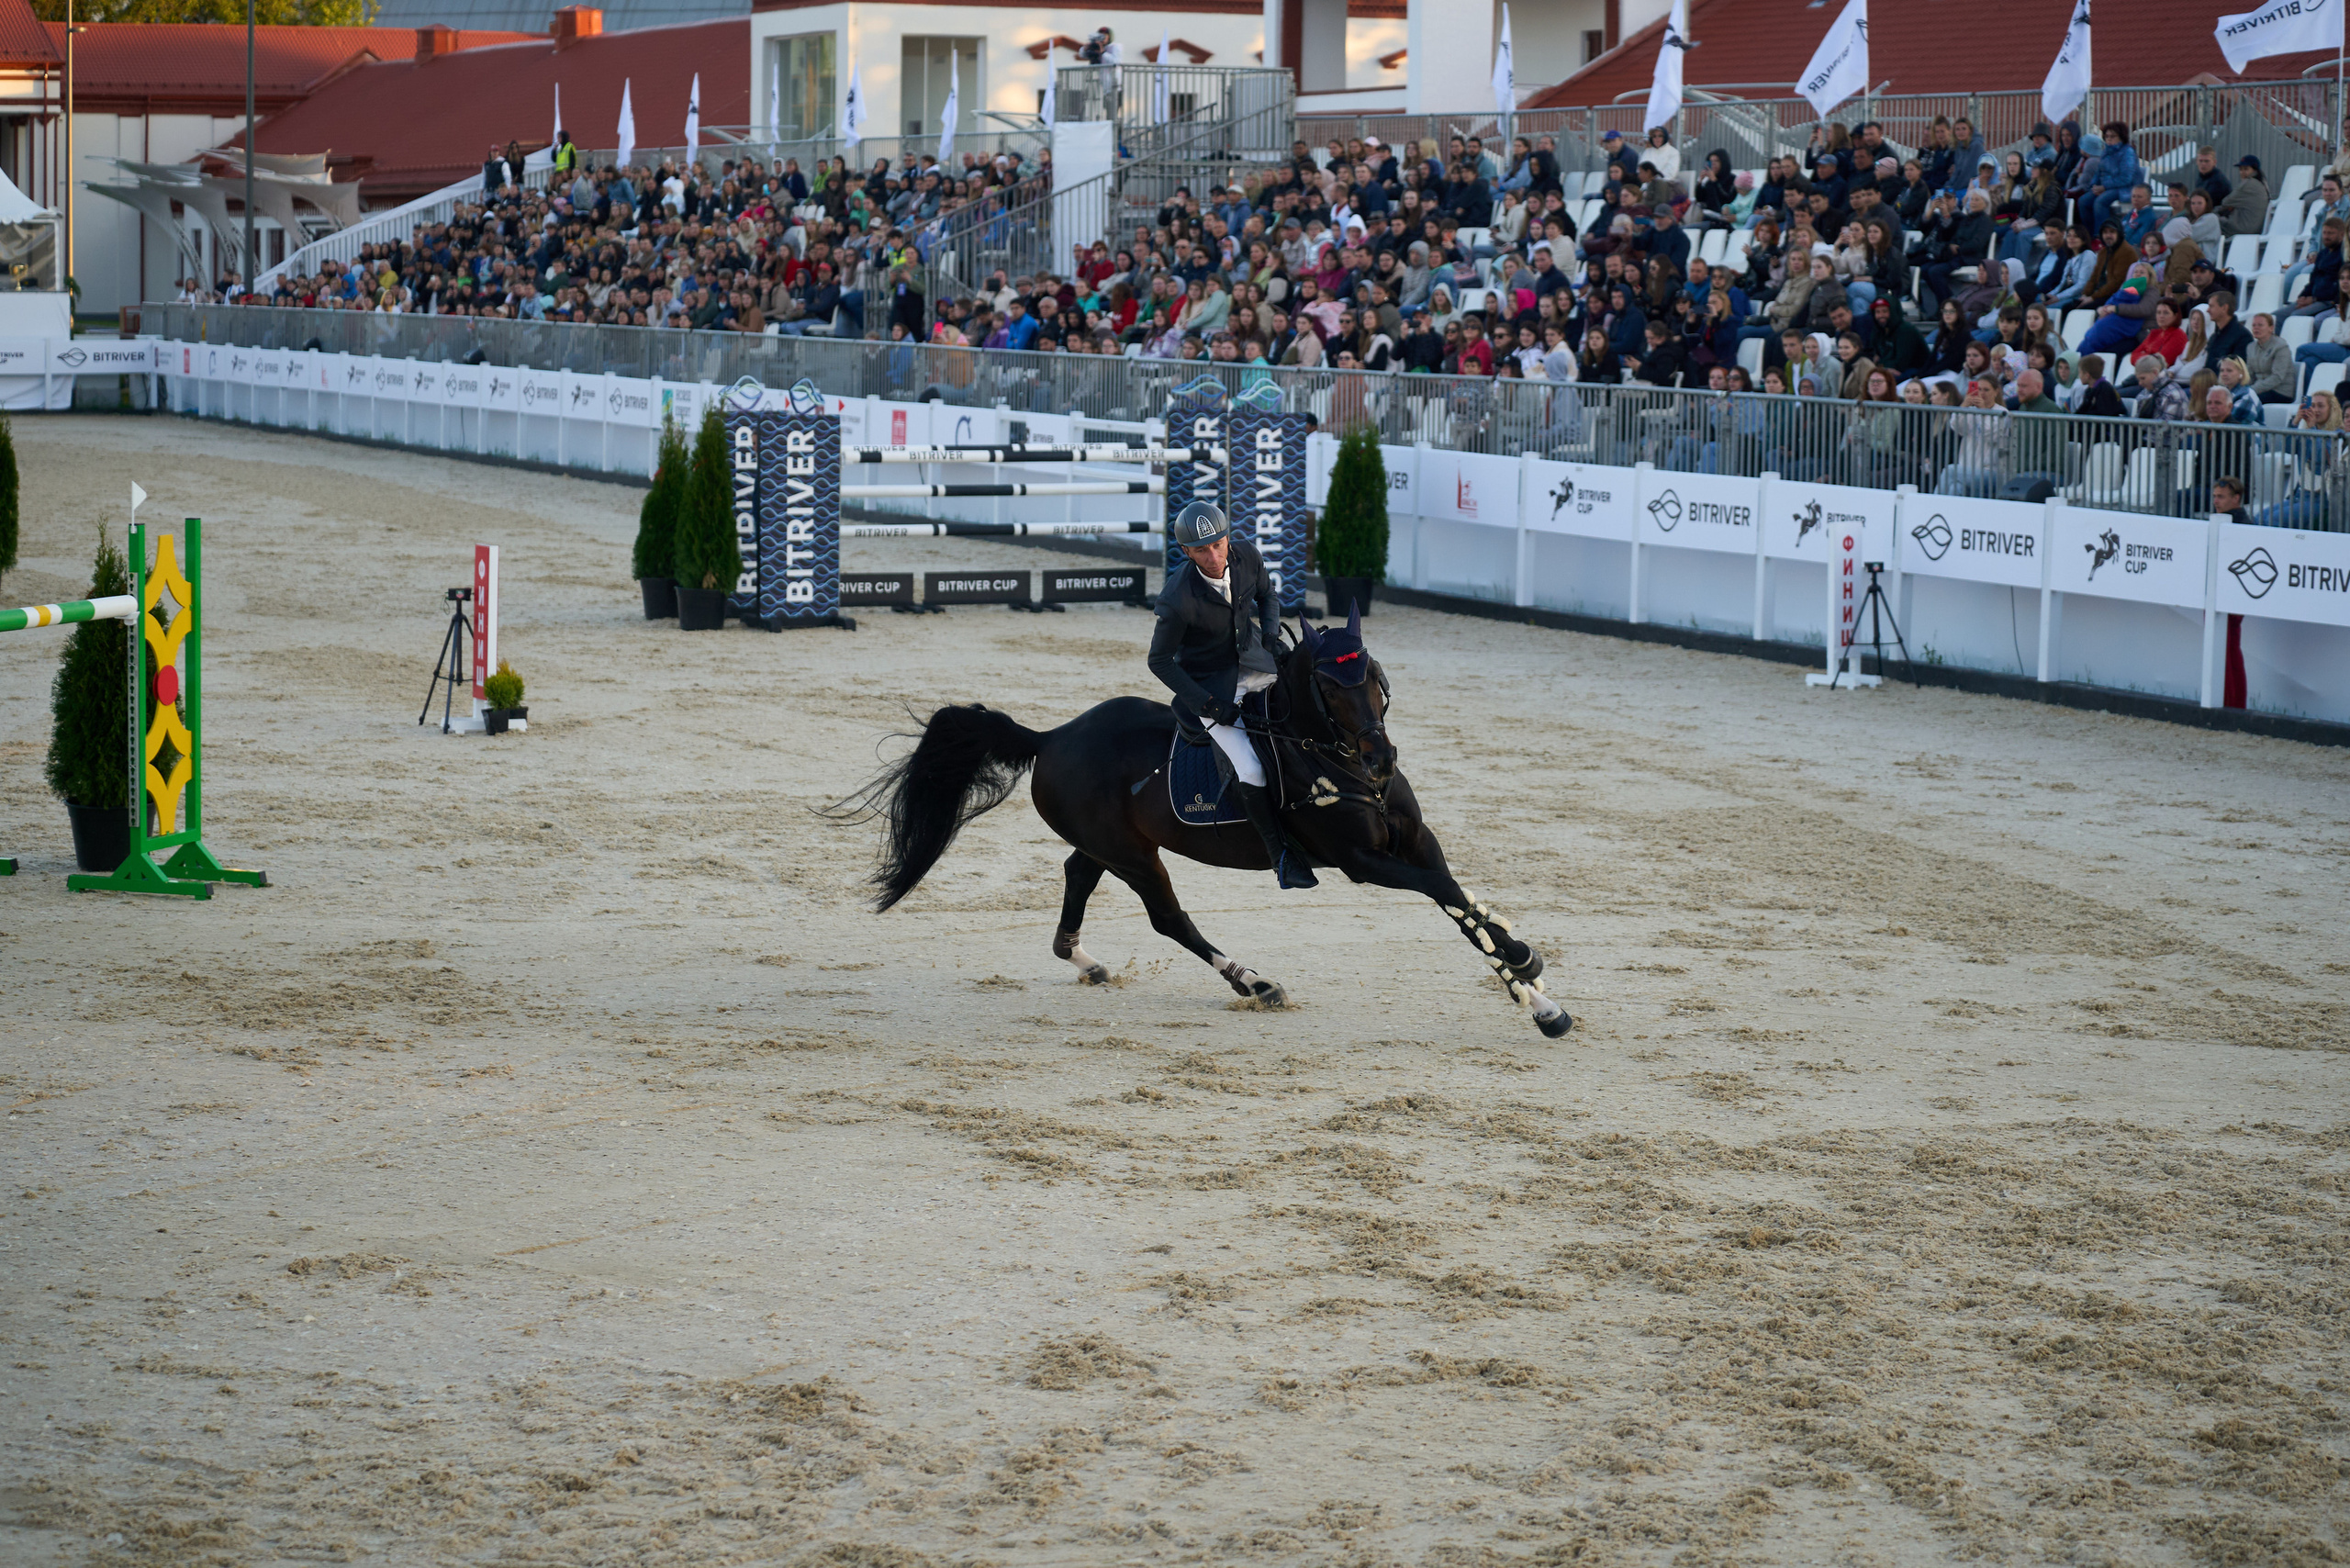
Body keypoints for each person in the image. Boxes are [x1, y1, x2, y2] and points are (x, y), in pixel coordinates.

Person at [1147, 502, 1313, 890]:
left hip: (1256, 661)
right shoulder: (1176, 600)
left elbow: (1268, 596)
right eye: (1202, 551)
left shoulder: (1248, 557)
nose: (1215, 557)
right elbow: (1159, 661)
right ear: (1186, 552)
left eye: (1219, 545)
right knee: (1252, 768)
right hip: (1211, 685)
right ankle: (1281, 856)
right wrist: (1207, 704)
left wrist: (1270, 635)